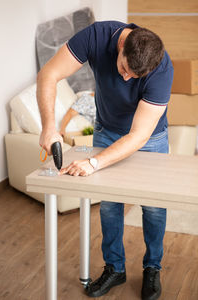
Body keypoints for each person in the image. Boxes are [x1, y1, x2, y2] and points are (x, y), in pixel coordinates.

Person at [37, 20, 174, 300]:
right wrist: (50, 126)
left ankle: (152, 268)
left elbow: (138, 136)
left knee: (154, 208)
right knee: (110, 206)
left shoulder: (162, 68)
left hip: (150, 139)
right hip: (107, 130)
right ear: (121, 46)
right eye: (124, 68)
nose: (126, 79)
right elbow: (49, 74)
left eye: (135, 77)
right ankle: (115, 267)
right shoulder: (96, 36)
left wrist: (94, 163)